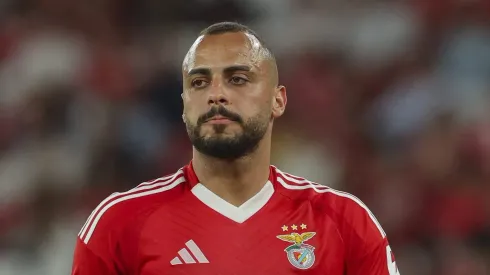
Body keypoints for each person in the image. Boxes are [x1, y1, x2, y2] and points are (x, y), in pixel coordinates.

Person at [71, 22, 401, 275]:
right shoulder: (119, 223)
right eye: (199, 83)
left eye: (238, 79)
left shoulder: (344, 222)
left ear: (278, 100)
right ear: (184, 105)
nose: (216, 94)